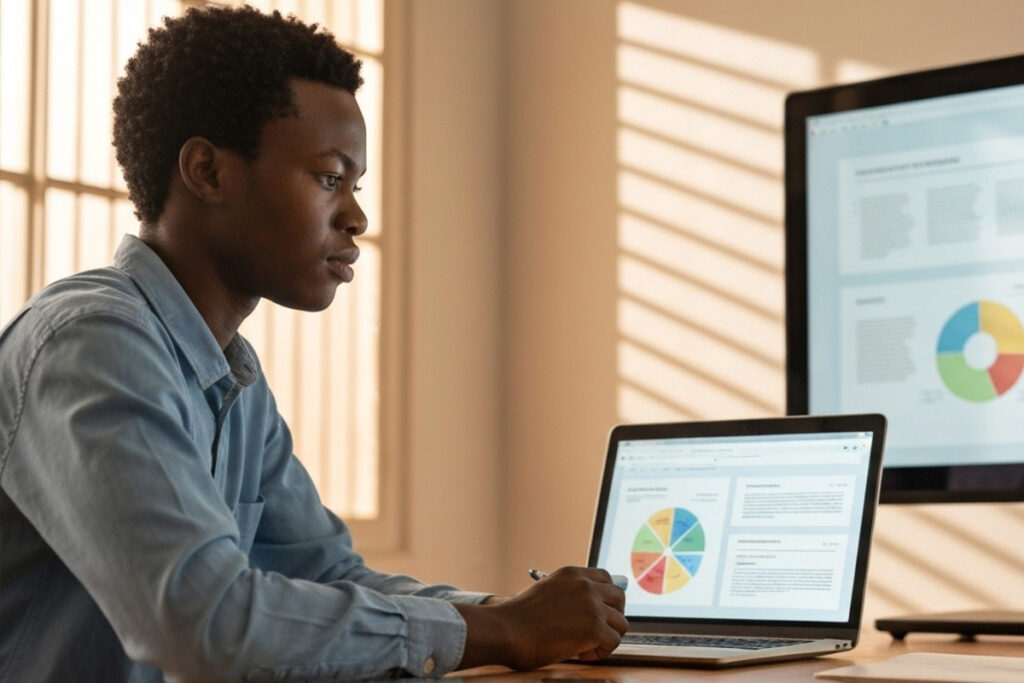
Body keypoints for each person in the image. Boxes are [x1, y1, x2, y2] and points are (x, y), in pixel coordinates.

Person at [0, 6, 627, 681]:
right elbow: (204, 621)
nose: (357, 216)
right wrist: (504, 629)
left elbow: (329, 576)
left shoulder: (233, 378)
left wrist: (518, 613)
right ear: (208, 171)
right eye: (330, 178)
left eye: (355, 186)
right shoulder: (91, 344)